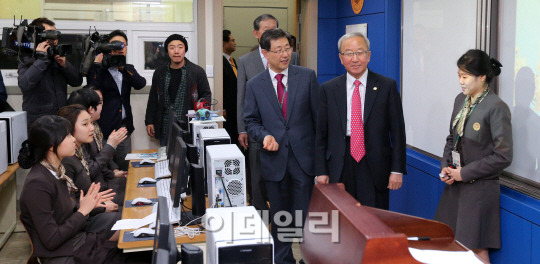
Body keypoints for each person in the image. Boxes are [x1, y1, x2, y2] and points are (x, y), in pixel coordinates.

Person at [18, 115, 149, 264]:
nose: (73, 139)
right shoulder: (38, 184)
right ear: (51, 145)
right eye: (67, 136)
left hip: (80, 242)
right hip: (66, 253)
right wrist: (83, 210)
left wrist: (90, 205)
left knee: (143, 247)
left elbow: (66, 212)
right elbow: (52, 240)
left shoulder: (56, 171)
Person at [243, 28, 319, 264]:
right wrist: (263, 135)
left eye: (287, 48)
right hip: (274, 162)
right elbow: (251, 120)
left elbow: (319, 119)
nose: (285, 54)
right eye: (278, 50)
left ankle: (310, 259)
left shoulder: (306, 76)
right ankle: (285, 261)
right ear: (265, 53)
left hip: (304, 161)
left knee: (306, 219)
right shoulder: (256, 84)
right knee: (282, 217)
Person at [434, 49, 512, 262]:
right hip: (455, 185)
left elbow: (503, 156)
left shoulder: (496, 107)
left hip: (479, 190)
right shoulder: (461, 99)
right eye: (459, 75)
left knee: (476, 250)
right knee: (451, 244)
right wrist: (446, 166)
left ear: (482, 77)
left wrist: (464, 173)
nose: (460, 81)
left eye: (465, 76)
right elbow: (452, 138)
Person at [314, 32, 406, 210]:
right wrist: (321, 170)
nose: (355, 59)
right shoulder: (328, 89)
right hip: (340, 162)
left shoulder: (387, 86)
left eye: (360, 52)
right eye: (349, 53)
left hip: (375, 163)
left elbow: (397, 131)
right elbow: (321, 134)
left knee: (374, 217)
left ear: (369, 56)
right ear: (341, 58)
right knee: (341, 218)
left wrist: (397, 170)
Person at [236, 13, 300, 212]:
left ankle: (286, 224)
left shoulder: (293, 57)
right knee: (258, 179)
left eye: (275, 28)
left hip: (288, 133)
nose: (271, 32)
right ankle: (261, 220)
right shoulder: (246, 60)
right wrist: (242, 129)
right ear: (257, 34)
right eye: (266, 29)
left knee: (288, 181)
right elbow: (241, 96)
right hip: (259, 131)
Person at [57, 104, 126, 235]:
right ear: (69, 129)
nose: (92, 128)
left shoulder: (79, 150)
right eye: (85, 124)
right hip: (83, 221)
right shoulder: (66, 159)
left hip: (93, 207)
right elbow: (71, 205)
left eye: (91, 123)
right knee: (130, 216)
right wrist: (99, 207)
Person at [87, 30, 146, 171]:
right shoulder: (99, 68)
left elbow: (140, 84)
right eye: (115, 45)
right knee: (104, 168)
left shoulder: (128, 68)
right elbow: (91, 88)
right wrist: (97, 65)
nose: (120, 48)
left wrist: (123, 68)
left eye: (123, 45)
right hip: (104, 129)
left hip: (124, 128)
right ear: (109, 47)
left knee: (124, 168)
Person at [145, 34, 212, 146]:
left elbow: (206, 95)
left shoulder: (197, 72)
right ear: (167, 50)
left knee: (188, 158)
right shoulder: (160, 72)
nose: (176, 51)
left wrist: (200, 112)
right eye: (172, 48)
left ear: (185, 49)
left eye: (180, 47)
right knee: (166, 158)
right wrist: (150, 121)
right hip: (165, 124)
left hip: (189, 125)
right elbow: (153, 98)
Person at [18, 17, 83, 129]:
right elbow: (25, 84)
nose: (54, 39)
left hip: (62, 118)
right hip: (39, 122)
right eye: (49, 34)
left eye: (55, 35)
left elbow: (77, 81)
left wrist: (65, 65)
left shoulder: (58, 55)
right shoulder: (27, 57)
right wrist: (42, 60)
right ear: (37, 36)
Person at [67, 87, 128, 201]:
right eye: (99, 102)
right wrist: (111, 145)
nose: (102, 106)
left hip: (101, 185)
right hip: (95, 193)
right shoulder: (78, 138)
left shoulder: (92, 127)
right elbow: (90, 170)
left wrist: (114, 172)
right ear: (91, 109)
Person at [223, 30, 238, 145]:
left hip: (236, 108)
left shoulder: (233, 61)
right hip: (228, 108)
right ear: (224, 43)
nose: (235, 43)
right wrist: (223, 108)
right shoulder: (220, 62)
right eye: (232, 40)